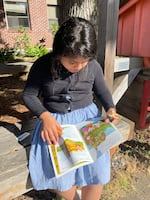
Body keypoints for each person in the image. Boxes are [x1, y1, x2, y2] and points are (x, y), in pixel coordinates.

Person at [23, 17, 119, 200]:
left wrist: (111, 109)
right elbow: (28, 95)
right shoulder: (42, 66)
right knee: (61, 173)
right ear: (60, 52)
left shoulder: (93, 66)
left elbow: (103, 92)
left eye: (84, 61)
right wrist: (45, 117)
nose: (80, 66)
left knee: (96, 168)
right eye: (73, 62)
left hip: (88, 121)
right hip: (55, 123)